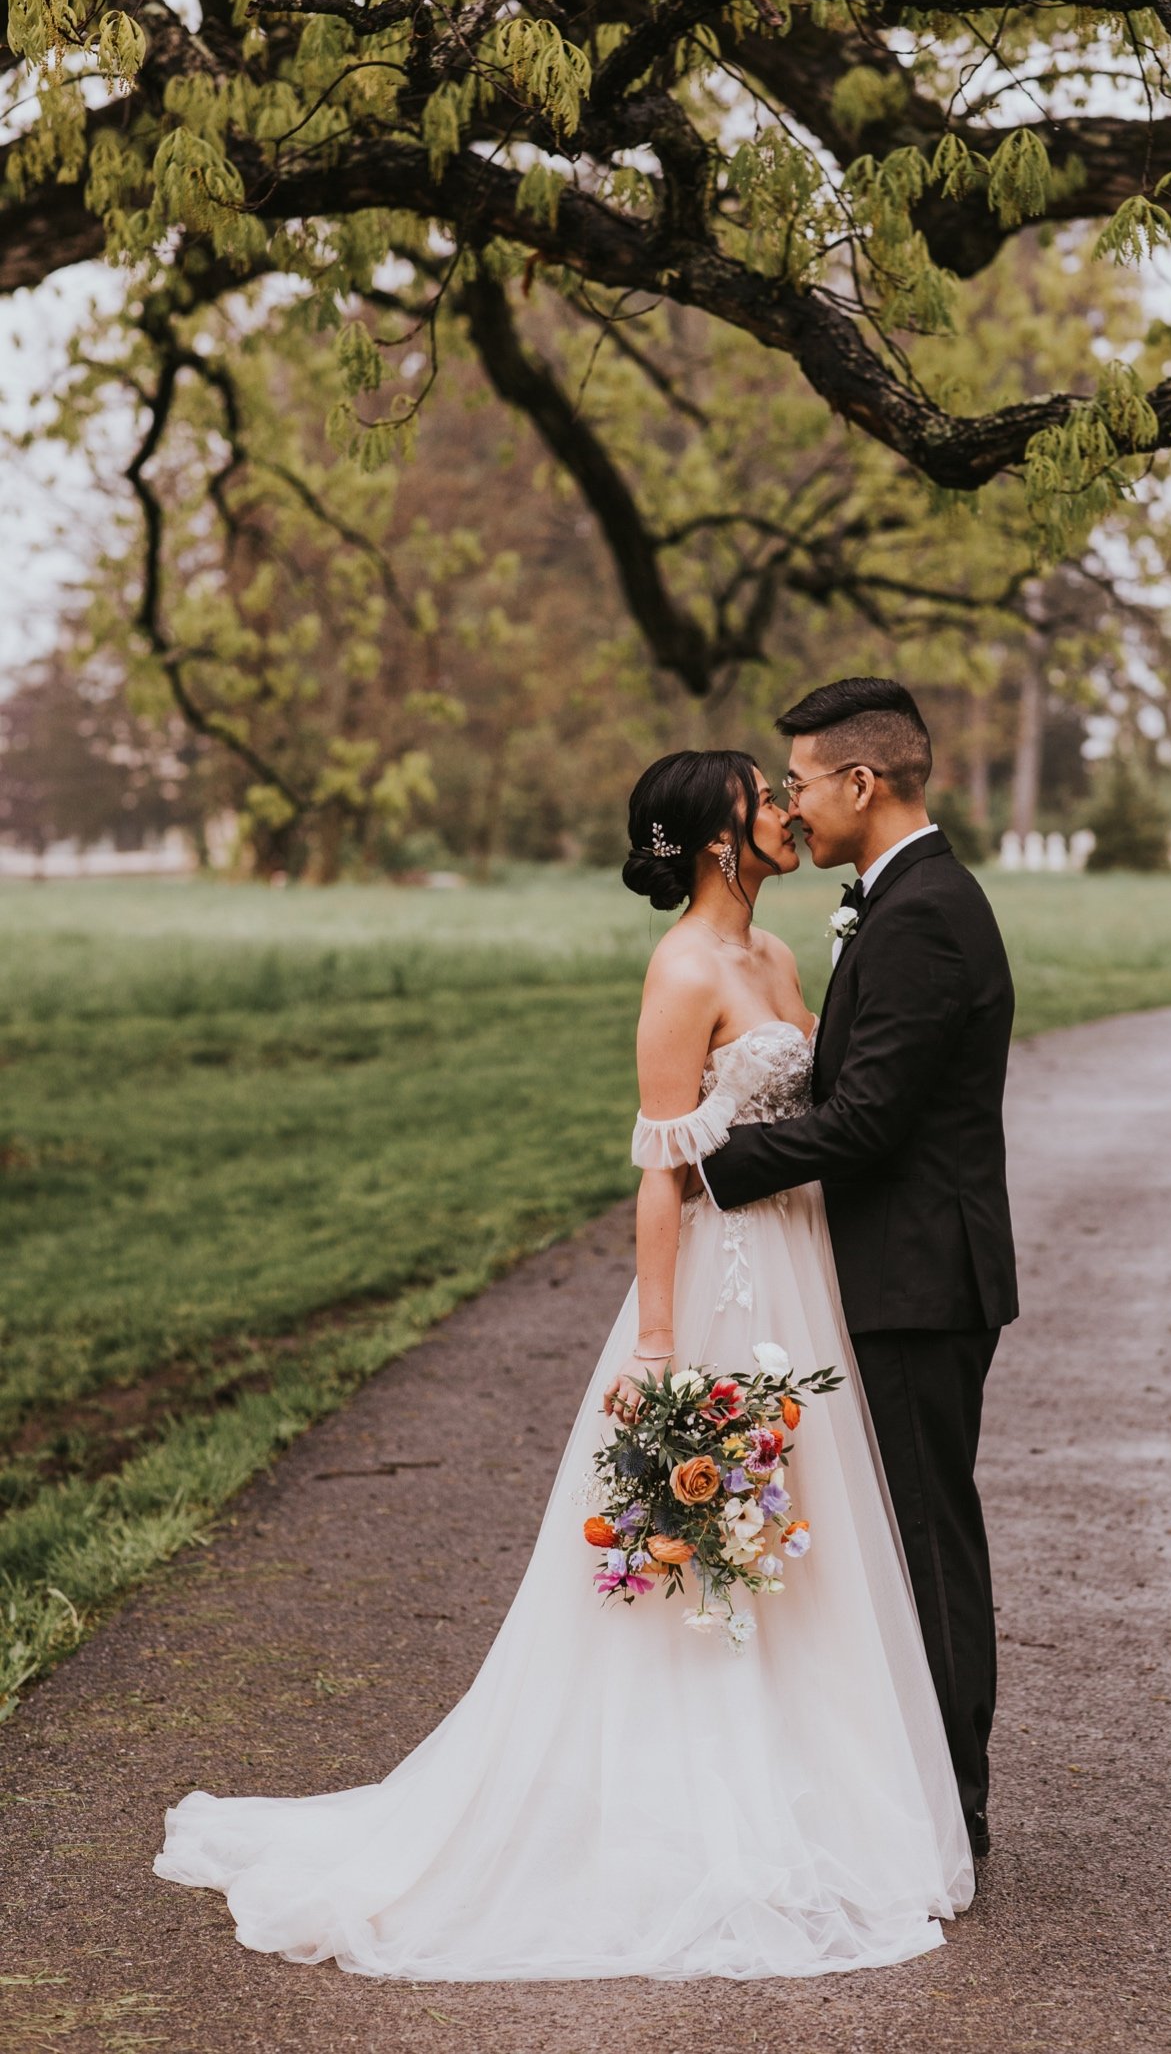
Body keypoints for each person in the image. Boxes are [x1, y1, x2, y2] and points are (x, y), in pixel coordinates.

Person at [154, 748, 972, 1980]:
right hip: (717, 1282)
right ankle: (696, 1815)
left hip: (801, 1273)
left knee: (804, 1539)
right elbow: (661, 1169)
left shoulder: (782, 959)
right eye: (765, 798)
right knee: (711, 1551)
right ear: (716, 841)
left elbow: (832, 1107)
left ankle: (824, 1797)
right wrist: (654, 1348)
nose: (784, 813)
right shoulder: (686, 966)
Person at [700, 679, 1017, 1858]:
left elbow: (871, 1123)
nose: (792, 805)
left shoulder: (926, 912)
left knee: (927, 1542)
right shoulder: (900, 901)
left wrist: (713, 1159)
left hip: (922, 1278)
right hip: (899, 1270)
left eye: (798, 784)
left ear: (860, 783)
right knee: (904, 1536)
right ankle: (919, 1794)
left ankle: (953, 1817)